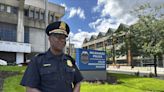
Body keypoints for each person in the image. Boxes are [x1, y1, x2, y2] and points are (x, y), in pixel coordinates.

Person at [20, 21, 83, 92]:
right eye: (58, 37)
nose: (62, 40)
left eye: (64, 37)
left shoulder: (70, 60)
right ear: (49, 39)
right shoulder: (37, 61)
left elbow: (78, 82)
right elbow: (30, 88)